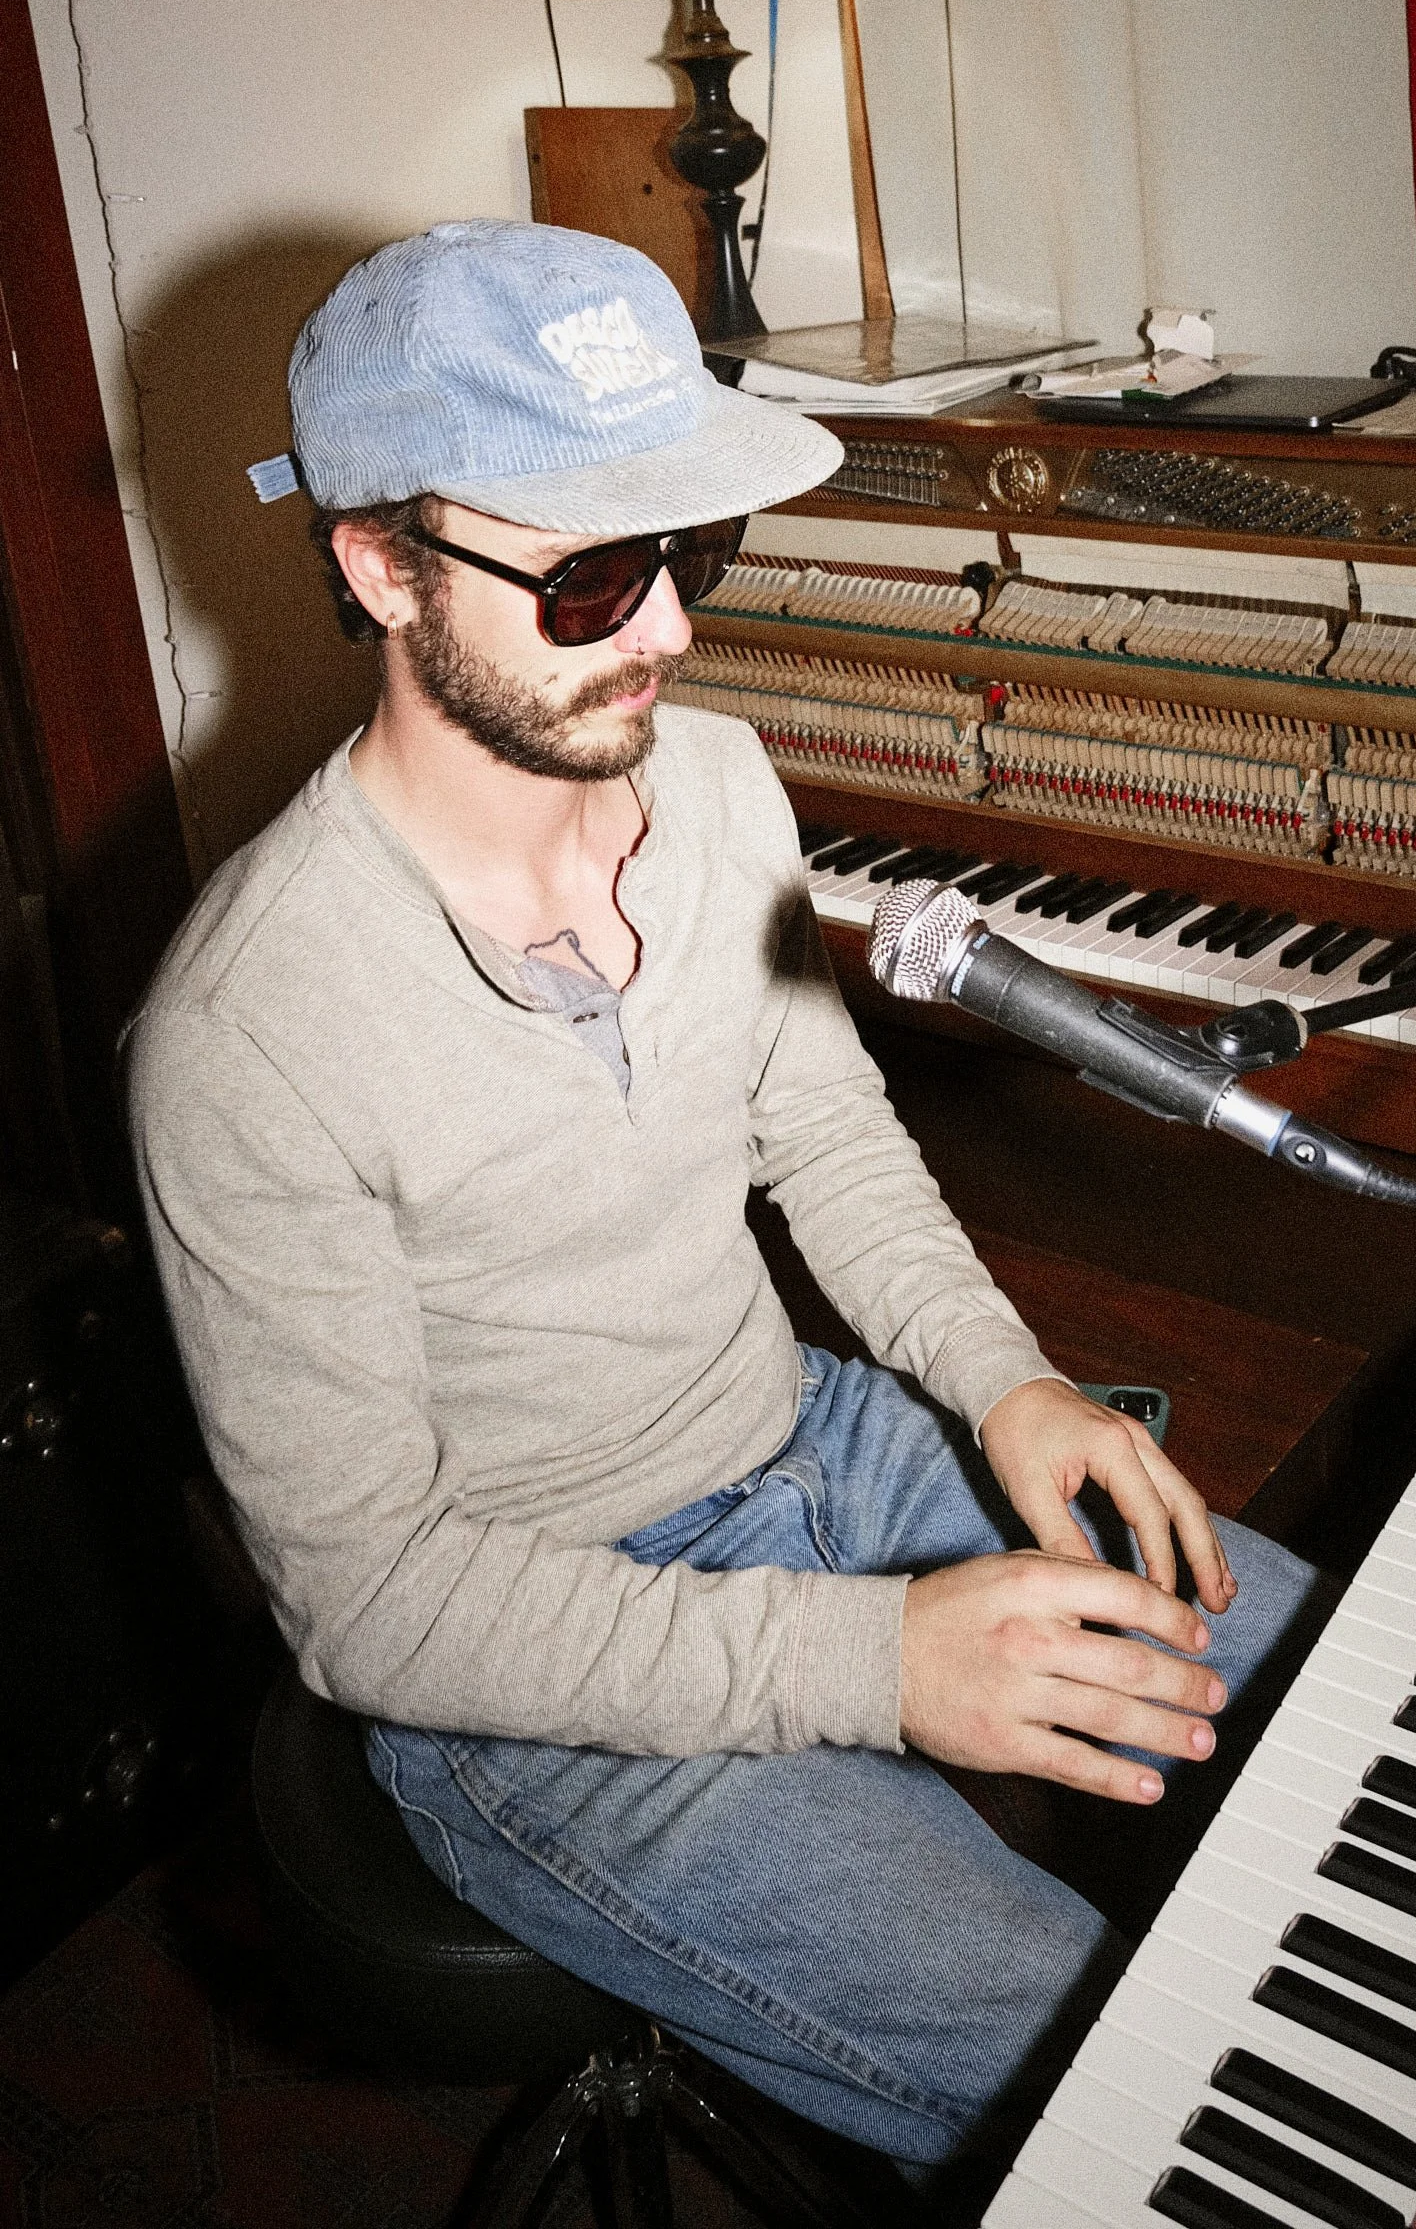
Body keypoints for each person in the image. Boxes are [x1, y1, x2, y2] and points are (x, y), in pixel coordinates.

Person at [128, 220, 1317, 2195]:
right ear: (376, 563)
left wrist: (1003, 1383)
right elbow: (376, 1602)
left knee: (1352, 1709)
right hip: (524, 1662)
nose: (665, 632)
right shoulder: (245, 1038)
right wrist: (881, 1666)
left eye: (692, 550)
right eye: (589, 573)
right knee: (1127, 2083)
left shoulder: (728, 788)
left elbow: (827, 1142)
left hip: (804, 1439)